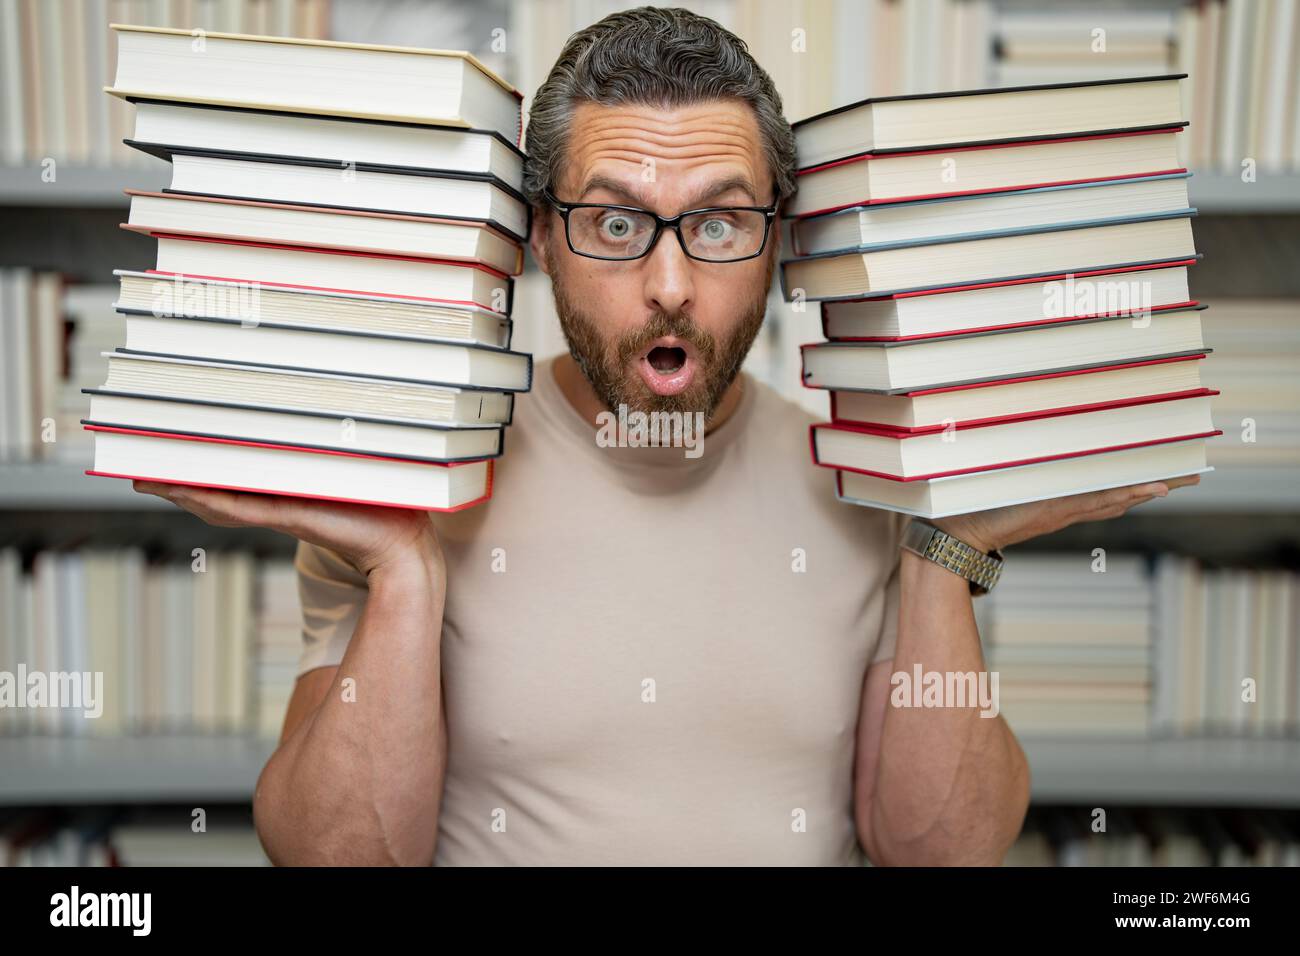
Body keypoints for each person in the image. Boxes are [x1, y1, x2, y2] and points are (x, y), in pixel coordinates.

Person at [133, 6, 1198, 865]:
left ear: (779, 241)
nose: (671, 285)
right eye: (613, 221)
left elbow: (940, 849)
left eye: (720, 221)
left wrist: (941, 548)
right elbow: (335, 858)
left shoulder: (871, 481)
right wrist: (406, 570)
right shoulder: (411, 474)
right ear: (540, 238)